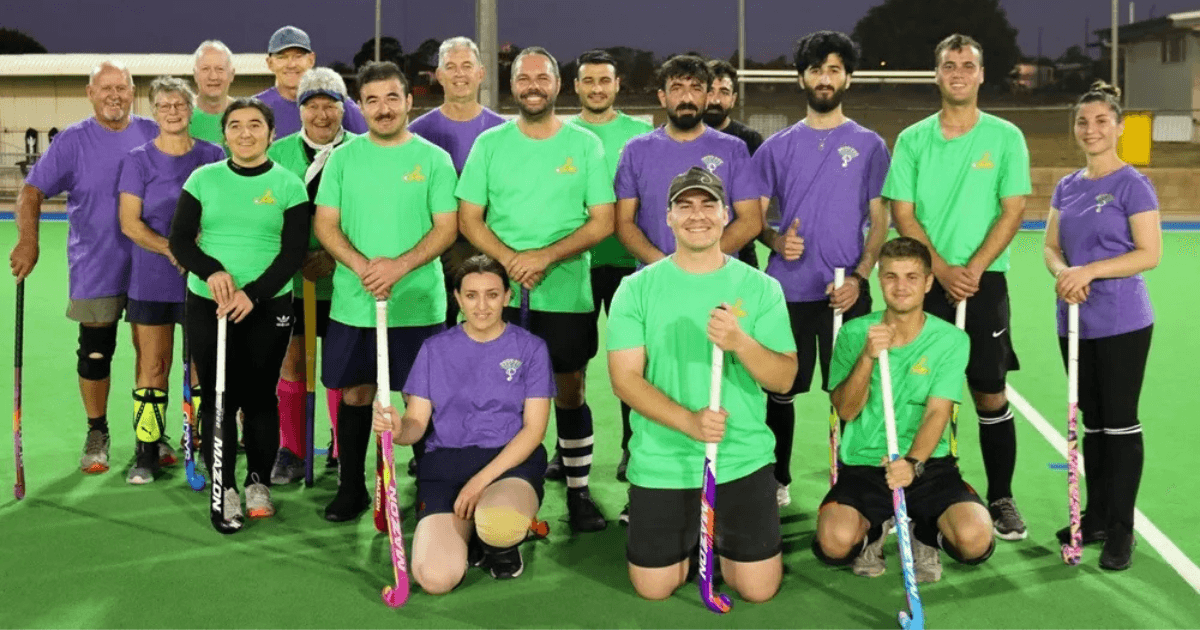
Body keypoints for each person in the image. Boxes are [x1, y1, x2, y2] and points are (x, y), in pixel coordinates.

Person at [607, 167, 797, 603]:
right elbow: (624, 380)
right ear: (669, 217)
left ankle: (713, 538)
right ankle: (693, 537)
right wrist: (690, 422)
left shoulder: (761, 287)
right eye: (685, 206)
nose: (698, 215)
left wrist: (740, 342)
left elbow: (784, 377)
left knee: (758, 590)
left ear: (726, 215)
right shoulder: (635, 289)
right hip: (663, 459)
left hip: (740, 456)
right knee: (654, 588)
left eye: (709, 205)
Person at [457, 46, 615, 532]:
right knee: (497, 393)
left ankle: (578, 492)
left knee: (570, 390)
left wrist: (544, 257)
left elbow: (602, 221)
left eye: (541, 78)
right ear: (511, 86)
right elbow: (469, 218)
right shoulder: (490, 143)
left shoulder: (584, 144)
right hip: (499, 296)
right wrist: (511, 262)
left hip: (565, 294)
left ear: (557, 84)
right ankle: (495, 491)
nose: (532, 86)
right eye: (523, 78)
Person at [882, 33, 1032, 540]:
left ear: (981, 74)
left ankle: (1001, 497)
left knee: (989, 391)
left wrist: (974, 269)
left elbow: (1013, 209)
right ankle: (911, 493)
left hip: (984, 284)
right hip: (925, 283)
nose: (959, 73)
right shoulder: (913, 139)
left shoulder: (1006, 137)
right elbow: (903, 213)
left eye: (968, 65)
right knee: (919, 390)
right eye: (950, 65)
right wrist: (941, 270)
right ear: (937, 74)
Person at [314, 61, 458, 522]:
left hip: (418, 304)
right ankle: (352, 489)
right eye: (372, 100)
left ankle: (431, 489)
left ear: (409, 101)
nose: (383, 109)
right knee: (356, 394)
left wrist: (399, 267)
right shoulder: (342, 159)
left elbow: (446, 228)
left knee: (421, 399)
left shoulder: (434, 159)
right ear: (360, 107)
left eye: (392, 98)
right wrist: (362, 267)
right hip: (355, 303)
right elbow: (326, 224)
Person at [754, 31, 889, 507]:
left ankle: (855, 480)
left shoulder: (870, 145)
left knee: (853, 392)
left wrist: (860, 277)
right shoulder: (776, 147)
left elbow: (880, 221)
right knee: (781, 389)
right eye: (816, 70)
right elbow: (754, 219)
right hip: (789, 291)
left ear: (847, 78)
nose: (824, 78)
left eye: (834, 69)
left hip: (845, 292)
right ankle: (776, 477)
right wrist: (775, 239)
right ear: (802, 79)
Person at [814, 236, 994, 584]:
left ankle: (923, 532)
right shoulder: (854, 333)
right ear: (880, 280)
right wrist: (867, 357)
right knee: (834, 543)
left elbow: (938, 412)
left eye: (912, 277)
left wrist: (912, 464)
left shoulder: (951, 340)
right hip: (864, 463)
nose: (900, 286)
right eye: (891, 276)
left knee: (974, 541)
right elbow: (846, 411)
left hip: (928, 465)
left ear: (928, 282)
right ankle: (874, 530)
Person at [10, 61, 160, 475]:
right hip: (97, 265)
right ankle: (98, 431)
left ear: (133, 92)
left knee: (151, 356)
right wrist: (29, 240)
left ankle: (151, 434)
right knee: (96, 353)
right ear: (90, 93)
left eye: (122, 87)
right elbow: (31, 192)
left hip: (150, 264)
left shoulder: (153, 132)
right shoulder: (73, 140)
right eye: (105, 88)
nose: (115, 95)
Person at [373, 254, 553, 589]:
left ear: (507, 296)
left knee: (498, 525)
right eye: (471, 295)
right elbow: (416, 424)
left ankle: (497, 543)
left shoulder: (531, 349)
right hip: (446, 466)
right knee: (435, 579)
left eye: (492, 294)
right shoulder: (434, 349)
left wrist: (478, 483)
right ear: (457, 298)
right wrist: (397, 429)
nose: (482, 306)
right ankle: (470, 535)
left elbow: (534, 430)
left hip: (508, 463)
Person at [168, 98, 309, 523]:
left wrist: (254, 294)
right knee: (219, 396)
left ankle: (257, 482)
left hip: (268, 304)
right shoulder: (203, 179)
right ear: (224, 134)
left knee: (260, 395)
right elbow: (180, 240)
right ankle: (225, 484)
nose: (245, 133)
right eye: (235, 126)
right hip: (210, 305)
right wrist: (211, 272)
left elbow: (293, 252)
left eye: (255, 125)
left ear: (271, 134)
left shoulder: (288, 185)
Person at [1043, 81, 1160, 571]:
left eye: (1101, 121)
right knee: (1091, 422)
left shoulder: (1133, 184)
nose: (1091, 130)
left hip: (1121, 320)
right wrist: (1063, 274)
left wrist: (1088, 271)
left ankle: (1121, 529)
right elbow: (1051, 247)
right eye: (1083, 122)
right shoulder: (1067, 186)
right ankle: (1093, 516)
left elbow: (1148, 253)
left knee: (1119, 422)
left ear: (1119, 127)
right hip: (1074, 320)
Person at [117, 76, 225, 484]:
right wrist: (173, 249)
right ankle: (147, 449)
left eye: (180, 104)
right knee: (154, 363)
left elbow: (223, 209)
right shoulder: (138, 160)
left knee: (201, 365)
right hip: (152, 278)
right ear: (154, 111)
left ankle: (199, 442)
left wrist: (197, 253)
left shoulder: (213, 155)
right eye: (164, 105)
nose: (173, 111)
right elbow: (130, 223)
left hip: (203, 278)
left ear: (191, 109)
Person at [266, 67, 359, 484]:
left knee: (342, 368)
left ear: (343, 107)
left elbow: (370, 215)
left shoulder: (361, 151)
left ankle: (343, 448)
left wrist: (335, 258)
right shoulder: (278, 152)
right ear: (300, 109)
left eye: (330, 105)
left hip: (344, 281)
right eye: (312, 105)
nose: (322, 115)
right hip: (291, 282)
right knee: (291, 364)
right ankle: (291, 449)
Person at [565, 49, 652, 493]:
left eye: (605, 81)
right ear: (576, 86)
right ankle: (567, 449)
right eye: (589, 81)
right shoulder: (562, 134)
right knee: (570, 364)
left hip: (629, 266)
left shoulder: (641, 134)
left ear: (617, 85)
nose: (597, 88)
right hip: (574, 266)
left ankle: (634, 447)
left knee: (632, 361)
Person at [409, 36, 505, 386]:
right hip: (435, 254)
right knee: (439, 348)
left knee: (490, 345)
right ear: (438, 75)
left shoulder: (503, 132)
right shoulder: (417, 132)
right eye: (451, 67)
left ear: (481, 73)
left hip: (489, 251)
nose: (459, 74)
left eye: (467, 66)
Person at [614, 55, 763, 269]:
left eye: (696, 88)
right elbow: (624, 223)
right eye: (677, 88)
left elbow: (750, 221)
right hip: (659, 278)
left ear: (707, 96)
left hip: (718, 277)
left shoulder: (734, 149)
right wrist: (667, 267)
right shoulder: (636, 150)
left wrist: (700, 261)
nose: (687, 98)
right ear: (662, 97)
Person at [255, 26, 368, 139]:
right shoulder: (256, 108)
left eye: (298, 56)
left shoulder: (338, 102)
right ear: (270, 63)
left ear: (311, 60)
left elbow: (366, 143)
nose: (291, 64)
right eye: (282, 57)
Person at [704, 59, 764, 269]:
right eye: (710, 91)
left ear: (733, 98)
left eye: (724, 92)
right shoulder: (683, 136)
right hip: (690, 246)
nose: (715, 99)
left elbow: (757, 206)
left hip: (742, 251)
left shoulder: (750, 140)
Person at [190, 40, 236, 146]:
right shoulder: (180, 117)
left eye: (220, 69)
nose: (213, 76)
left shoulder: (245, 115)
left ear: (232, 74)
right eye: (205, 69)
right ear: (195, 75)